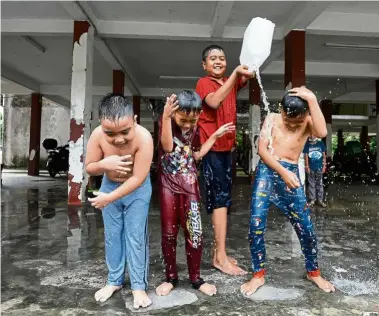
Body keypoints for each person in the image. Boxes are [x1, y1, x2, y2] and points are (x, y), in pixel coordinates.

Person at [240, 87, 335, 296]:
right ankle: (258, 274)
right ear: (281, 110)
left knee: (306, 228)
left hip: (290, 173)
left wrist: (311, 98)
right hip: (268, 171)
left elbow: (323, 133)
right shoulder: (272, 118)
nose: (292, 125)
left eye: (297, 122)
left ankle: (313, 271)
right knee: (256, 224)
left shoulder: (310, 121)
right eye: (288, 119)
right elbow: (262, 150)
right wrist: (282, 172)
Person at [155, 90, 236, 297]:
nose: (188, 124)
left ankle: (196, 278)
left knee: (195, 233)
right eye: (183, 119)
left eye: (193, 120)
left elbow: (196, 154)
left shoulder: (195, 128)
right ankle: (171, 277)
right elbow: (168, 146)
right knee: (169, 233)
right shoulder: (165, 122)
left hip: (190, 185)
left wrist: (215, 136)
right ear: (174, 113)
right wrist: (165, 117)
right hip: (168, 185)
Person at [85, 94, 153, 309]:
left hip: (137, 190)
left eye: (125, 131)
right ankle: (114, 281)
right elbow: (90, 166)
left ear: (134, 120)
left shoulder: (144, 138)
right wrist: (106, 163)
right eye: (110, 133)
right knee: (113, 235)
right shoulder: (97, 136)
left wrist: (108, 198)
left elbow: (138, 178)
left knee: (135, 236)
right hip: (109, 185)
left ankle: (138, 286)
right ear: (101, 125)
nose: (119, 139)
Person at [195, 44, 255, 275]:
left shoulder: (230, 80)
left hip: (227, 149)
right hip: (212, 150)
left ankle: (219, 252)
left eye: (222, 58)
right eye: (213, 58)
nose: (218, 61)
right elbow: (213, 102)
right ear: (205, 64)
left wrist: (251, 60)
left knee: (224, 201)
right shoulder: (204, 83)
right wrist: (235, 75)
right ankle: (219, 257)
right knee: (219, 202)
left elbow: (248, 73)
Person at [303, 135, 327, 207]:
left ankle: (320, 200)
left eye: (313, 134)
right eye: (310, 134)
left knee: (319, 183)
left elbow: (324, 155)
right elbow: (306, 155)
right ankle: (312, 200)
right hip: (311, 167)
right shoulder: (307, 144)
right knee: (311, 184)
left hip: (319, 167)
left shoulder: (320, 143)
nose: (312, 135)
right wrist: (307, 166)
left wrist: (324, 166)